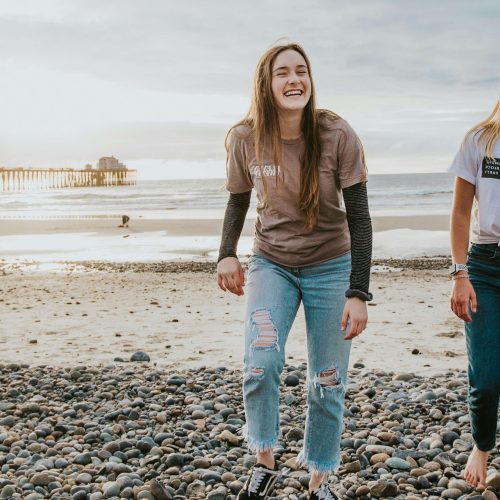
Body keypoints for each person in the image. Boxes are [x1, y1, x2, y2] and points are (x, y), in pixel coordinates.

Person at [217, 42, 373, 500]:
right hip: (273, 263)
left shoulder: (337, 134)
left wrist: (358, 292)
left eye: (301, 71)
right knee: (260, 365)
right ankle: (265, 463)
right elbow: (238, 201)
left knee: (328, 380)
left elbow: (360, 217)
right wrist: (226, 252)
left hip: (332, 265)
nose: (294, 80)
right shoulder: (246, 138)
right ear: (266, 84)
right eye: (282, 73)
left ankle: (319, 480)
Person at [449, 100, 500, 491]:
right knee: (485, 377)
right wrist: (459, 273)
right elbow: (462, 213)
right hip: (485, 265)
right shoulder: (480, 142)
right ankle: (482, 446)